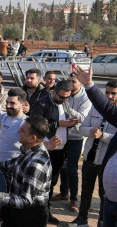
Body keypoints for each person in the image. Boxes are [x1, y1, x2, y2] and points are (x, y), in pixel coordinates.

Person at [0, 116, 52, 227]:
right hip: (17, 210)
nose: (18, 131)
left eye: (22, 130)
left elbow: (25, 200)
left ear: (32, 138)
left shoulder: (35, 164)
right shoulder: (30, 149)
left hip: (30, 217)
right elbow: (17, 163)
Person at [72, 65, 117, 227]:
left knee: (103, 195)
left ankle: (101, 221)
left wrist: (102, 136)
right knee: (86, 191)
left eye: (114, 93)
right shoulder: (97, 109)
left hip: (104, 165)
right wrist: (90, 131)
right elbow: (81, 128)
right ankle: (82, 218)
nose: (110, 96)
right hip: (90, 158)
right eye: (108, 92)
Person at [30, 80, 80, 224]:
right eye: (62, 97)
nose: (64, 100)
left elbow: (64, 118)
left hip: (60, 150)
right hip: (45, 149)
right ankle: (38, 213)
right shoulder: (42, 103)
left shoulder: (64, 102)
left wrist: (71, 121)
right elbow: (35, 125)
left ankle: (46, 211)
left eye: (67, 97)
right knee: (40, 183)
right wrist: (58, 124)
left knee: (51, 183)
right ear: (53, 92)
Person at [52, 73, 92, 212]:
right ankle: (64, 193)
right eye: (69, 81)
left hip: (76, 137)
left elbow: (81, 117)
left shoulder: (85, 97)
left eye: (73, 81)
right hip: (61, 134)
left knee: (72, 169)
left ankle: (74, 198)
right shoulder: (64, 94)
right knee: (60, 166)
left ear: (80, 83)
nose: (70, 84)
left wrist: (65, 103)